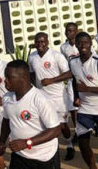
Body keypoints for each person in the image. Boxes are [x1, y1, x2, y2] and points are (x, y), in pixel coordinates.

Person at [0, 60, 61, 168]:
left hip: (44, 157)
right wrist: (2, 142)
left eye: (10, 78)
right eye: (5, 77)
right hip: (19, 155)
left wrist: (26, 143)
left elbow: (55, 130)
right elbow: (7, 120)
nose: (5, 81)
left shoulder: (40, 99)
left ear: (24, 78)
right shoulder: (7, 98)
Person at [69, 32, 98, 168]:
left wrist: (88, 89)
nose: (83, 45)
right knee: (83, 144)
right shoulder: (73, 62)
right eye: (80, 42)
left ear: (90, 44)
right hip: (85, 108)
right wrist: (76, 96)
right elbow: (74, 81)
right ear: (76, 45)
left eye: (85, 42)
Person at [28, 32, 75, 160]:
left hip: (59, 96)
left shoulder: (57, 56)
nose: (40, 44)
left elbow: (69, 74)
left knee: (62, 125)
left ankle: (70, 145)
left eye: (42, 41)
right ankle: (51, 150)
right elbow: (32, 74)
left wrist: (52, 80)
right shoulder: (32, 57)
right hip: (42, 97)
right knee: (45, 125)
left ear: (47, 42)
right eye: (37, 42)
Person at [60, 22, 80, 140]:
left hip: (85, 79)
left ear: (76, 31)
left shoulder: (82, 43)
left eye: (71, 30)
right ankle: (78, 131)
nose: (68, 33)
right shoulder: (63, 47)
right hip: (72, 80)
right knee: (73, 108)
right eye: (67, 30)